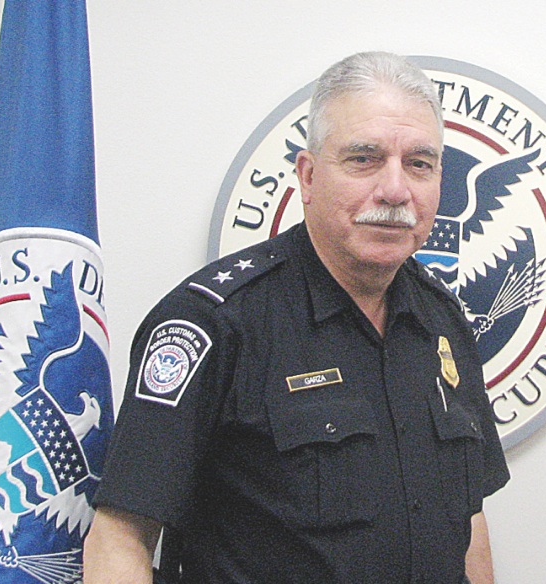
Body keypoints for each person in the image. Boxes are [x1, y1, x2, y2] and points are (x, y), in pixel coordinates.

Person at [83, 51, 509, 584]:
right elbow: (118, 539)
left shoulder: (443, 319)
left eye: (419, 164)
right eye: (364, 159)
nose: (396, 190)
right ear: (307, 176)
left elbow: (469, 520)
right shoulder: (213, 325)